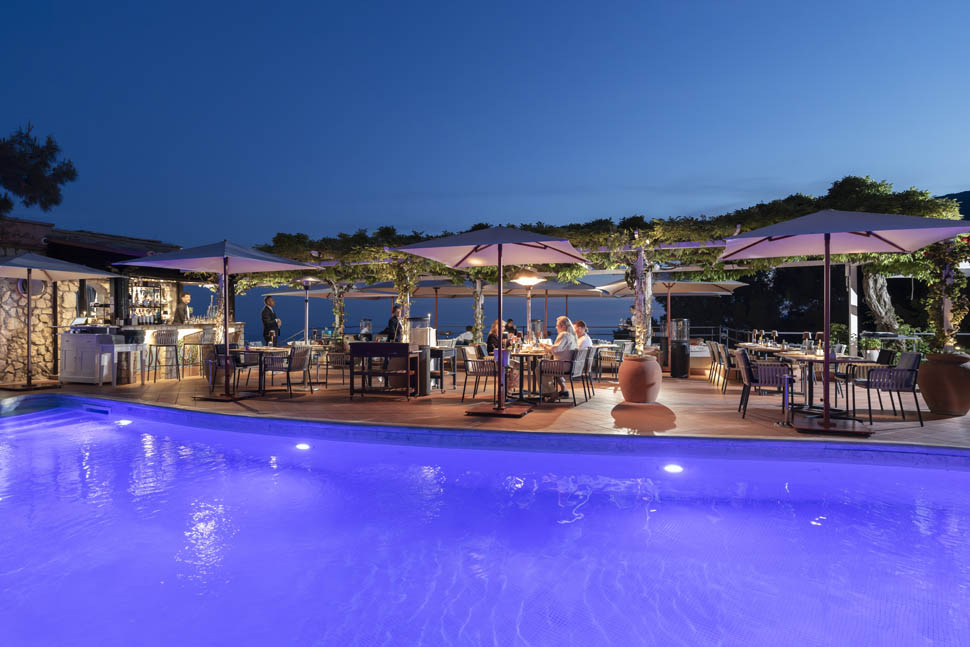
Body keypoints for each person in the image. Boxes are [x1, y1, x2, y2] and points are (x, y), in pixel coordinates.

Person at [541, 315, 578, 397]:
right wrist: (547, 346)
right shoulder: (571, 335)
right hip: (569, 364)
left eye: (557, 325)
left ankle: (550, 392)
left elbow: (555, 350)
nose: (556, 327)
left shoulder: (564, 334)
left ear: (563, 326)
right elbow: (559, 348)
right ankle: (563, 389)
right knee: (548, 365)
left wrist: (544, 347)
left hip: (563, 365)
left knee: (539, 368)